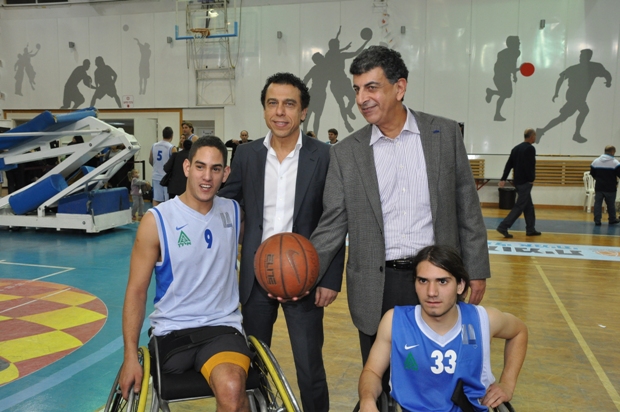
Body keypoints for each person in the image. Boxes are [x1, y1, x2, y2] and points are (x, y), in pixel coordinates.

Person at [309, 46, 490, 376]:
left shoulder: (444, 134)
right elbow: (332, 224)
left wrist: (476, 268)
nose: (361, 98)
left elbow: (467, 206)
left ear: (400, 87)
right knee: (380, 379)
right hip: (378, 286)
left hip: (437, 280)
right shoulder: (346, 154)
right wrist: (303, 273)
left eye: (372, 87)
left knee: (440, 378)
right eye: (357, 89)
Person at [218, 72, 345, 412]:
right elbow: (227, 206)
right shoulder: (246, 155)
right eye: (272, 103)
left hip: (304, 276)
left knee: (309, 368)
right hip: (257, 278)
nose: (280, 112)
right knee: (254, 366)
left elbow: (335, 218)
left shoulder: (324, 156)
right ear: (264, 110)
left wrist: (329, 279)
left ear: (303, 112)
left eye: (289, 104)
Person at [120, 136, 252, 412]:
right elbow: (136, 291)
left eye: (216, 169)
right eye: (200, 167)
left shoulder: (233, 212)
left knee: (231, 388)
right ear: (187, 168)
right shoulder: (157, 221)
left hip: (221, 328)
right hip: (172, 332)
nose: (207, 177)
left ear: (225, 174)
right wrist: (130, 355)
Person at [358, 245, 528, 412]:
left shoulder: (483, 320)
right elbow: (372, 371)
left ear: (460, 286)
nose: (431, 292)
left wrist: (507, 384)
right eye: (423, 281)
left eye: (442, 281)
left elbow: (519, 331)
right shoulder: (395, 321)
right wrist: (367, 400)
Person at [536, 49, 612, 144]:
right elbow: (561, 79)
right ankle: (575, 134)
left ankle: (542, 131)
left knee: (565, 116)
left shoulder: (594, 67)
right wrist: (556, 93)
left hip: (579, 97)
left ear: (589, 57)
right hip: (574, 96)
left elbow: (606, 74)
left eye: (583, 56)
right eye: (580, 56)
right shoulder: (575, 68)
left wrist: (608, 81)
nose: (580, 58)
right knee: (578, 112)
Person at [497, 128, 541, 238]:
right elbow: (529, 166)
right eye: (535, 136)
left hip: (517, 182)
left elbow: (508, 165)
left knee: (528, 206)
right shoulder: (530, 149)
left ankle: (530, 229)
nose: (535, 138)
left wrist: (503, 178)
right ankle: (503, 226)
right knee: (520, 206)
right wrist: (531, 179)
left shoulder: (516, 149)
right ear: (531, 137)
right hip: (526, 182)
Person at [485, 36, 521, 122]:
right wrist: (518, 70)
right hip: (501, 77)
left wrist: (515, 75)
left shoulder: (515, 52)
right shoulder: (506, 54)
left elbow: (513, 64)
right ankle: (497, 114)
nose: (519, 44)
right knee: (506, 94)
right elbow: (509, 67)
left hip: (503, 76)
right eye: (517, 42)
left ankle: (492, 92)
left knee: (506, 94)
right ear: (512, 44)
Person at [590, 145, 620, 226]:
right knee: (611, 204)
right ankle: (612, 219)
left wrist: (598, 179)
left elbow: (592, 174)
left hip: (599, 186)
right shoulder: (615, 162)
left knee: (598, 204)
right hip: (611, 187)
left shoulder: (596, 161)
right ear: (612, 152)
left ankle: (597, 220)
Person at [149, 126, 176, 206]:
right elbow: (175, 163)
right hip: (166, 178)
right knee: (167, 200)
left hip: (156, 176)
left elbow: (150, 160)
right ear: (172, 136)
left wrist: (156, 167)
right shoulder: (172, 148)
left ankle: (156, 216)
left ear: (162, 135)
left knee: (156, 199)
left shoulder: (154, 145)